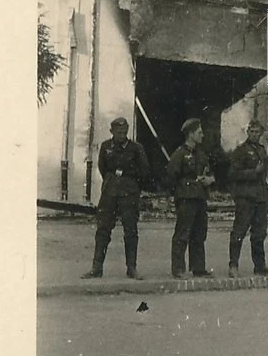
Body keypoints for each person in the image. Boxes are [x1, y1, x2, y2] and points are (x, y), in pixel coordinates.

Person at [82, 117, 151, 280]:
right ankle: (97, 267)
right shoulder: (106, 147)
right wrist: (112, 181)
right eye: (119, 132)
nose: (122, 135)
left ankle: (132, 268)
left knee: (131, 231)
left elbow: (145, 171)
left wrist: (131, 184)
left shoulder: (136, 148)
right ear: (111, 131)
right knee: (103, 230)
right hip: (109, 194)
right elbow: (103, 168)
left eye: (125, 132)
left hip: (129, 195)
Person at [167, 118, 216, 279]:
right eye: (199, 133)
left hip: (200, 197)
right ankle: (179, 269)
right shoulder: (180, 154)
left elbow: (208, 172)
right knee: (183, 233)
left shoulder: (201, 154)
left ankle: (198, 268)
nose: (202, 135)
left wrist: (210, 180)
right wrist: (180, 191)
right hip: (186, 198)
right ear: (190, 134)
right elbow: (170, 176)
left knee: (199, 233)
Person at [229, 120, 268, 277]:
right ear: (248, 132)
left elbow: (265, 174)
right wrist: (253, 172)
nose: (255, 135)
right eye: (252, 131)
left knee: (259, 233)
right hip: (245, 197)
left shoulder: (262, 150)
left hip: (260, 197)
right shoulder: (241, 151)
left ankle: (259, 266)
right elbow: (233, 174)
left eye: (258, 132)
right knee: (239, 231)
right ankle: (233, 265)